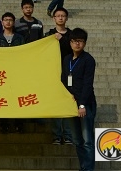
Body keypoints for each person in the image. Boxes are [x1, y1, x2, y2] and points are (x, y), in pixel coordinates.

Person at [62, 28, 96, 171]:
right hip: (71, 104)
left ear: (85, 43)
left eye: (80, 41)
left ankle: (88, 169)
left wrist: (82, 104)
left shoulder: (88, 60)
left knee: (87, 140)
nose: (77, 44)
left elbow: (88, 85)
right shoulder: (67, 59)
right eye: (75, 41)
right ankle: (83, 167)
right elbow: (64, 80)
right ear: (70, 43)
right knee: (77, 140)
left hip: (85, 104)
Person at [0, 12, 25, 133]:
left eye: (10, 20)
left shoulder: (20, 38)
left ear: (13, 22)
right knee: (3, 98)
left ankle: (19, 122)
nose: (8, 22)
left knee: (17, 97)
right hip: (2, 74)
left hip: (16, 72)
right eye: (5, 20)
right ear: (2, 22)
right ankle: (3, 123)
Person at [44, 8, 73, 145]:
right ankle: (56, 135)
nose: (60, 18)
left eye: (63, 16)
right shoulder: (49, 34)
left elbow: (75, 49)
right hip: (53, 73)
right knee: (56, 104)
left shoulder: (72, 35)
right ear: (54, 18)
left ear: (66, 18)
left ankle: (67, 135)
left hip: (69, 73)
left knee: (67, 102)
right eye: (58, 16)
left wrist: (63, 40)